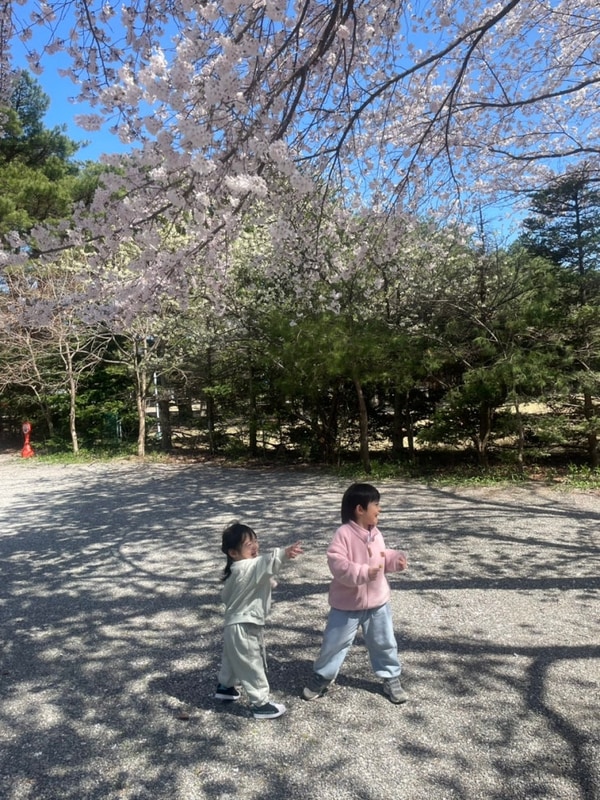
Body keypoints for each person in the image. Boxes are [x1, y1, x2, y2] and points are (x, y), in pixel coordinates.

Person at [302, 482, 408, 704]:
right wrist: (361, 573)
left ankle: (391, 677)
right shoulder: (343, 534)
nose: (379, 509)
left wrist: (393, 559)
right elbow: (337, 564)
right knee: (335, 642)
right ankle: (322, 676)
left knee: (384, 641)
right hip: (346, 605)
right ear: (360, 509)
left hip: (378, 603)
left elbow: (381, 555)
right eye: (376, 505)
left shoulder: (375, 533)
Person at [214, 521, 303, 720]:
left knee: (233, 659)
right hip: (244, 626)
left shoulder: (235, 571)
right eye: (248, 544)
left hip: (232, 625)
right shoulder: (248, 566)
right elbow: (262, 564)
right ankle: (260, 703)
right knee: (251, 663)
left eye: (255, 541)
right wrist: (283, 554)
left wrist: (266, 582)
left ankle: (225, 687)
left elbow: (228, 596)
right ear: (233, 553)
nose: (255, 546)